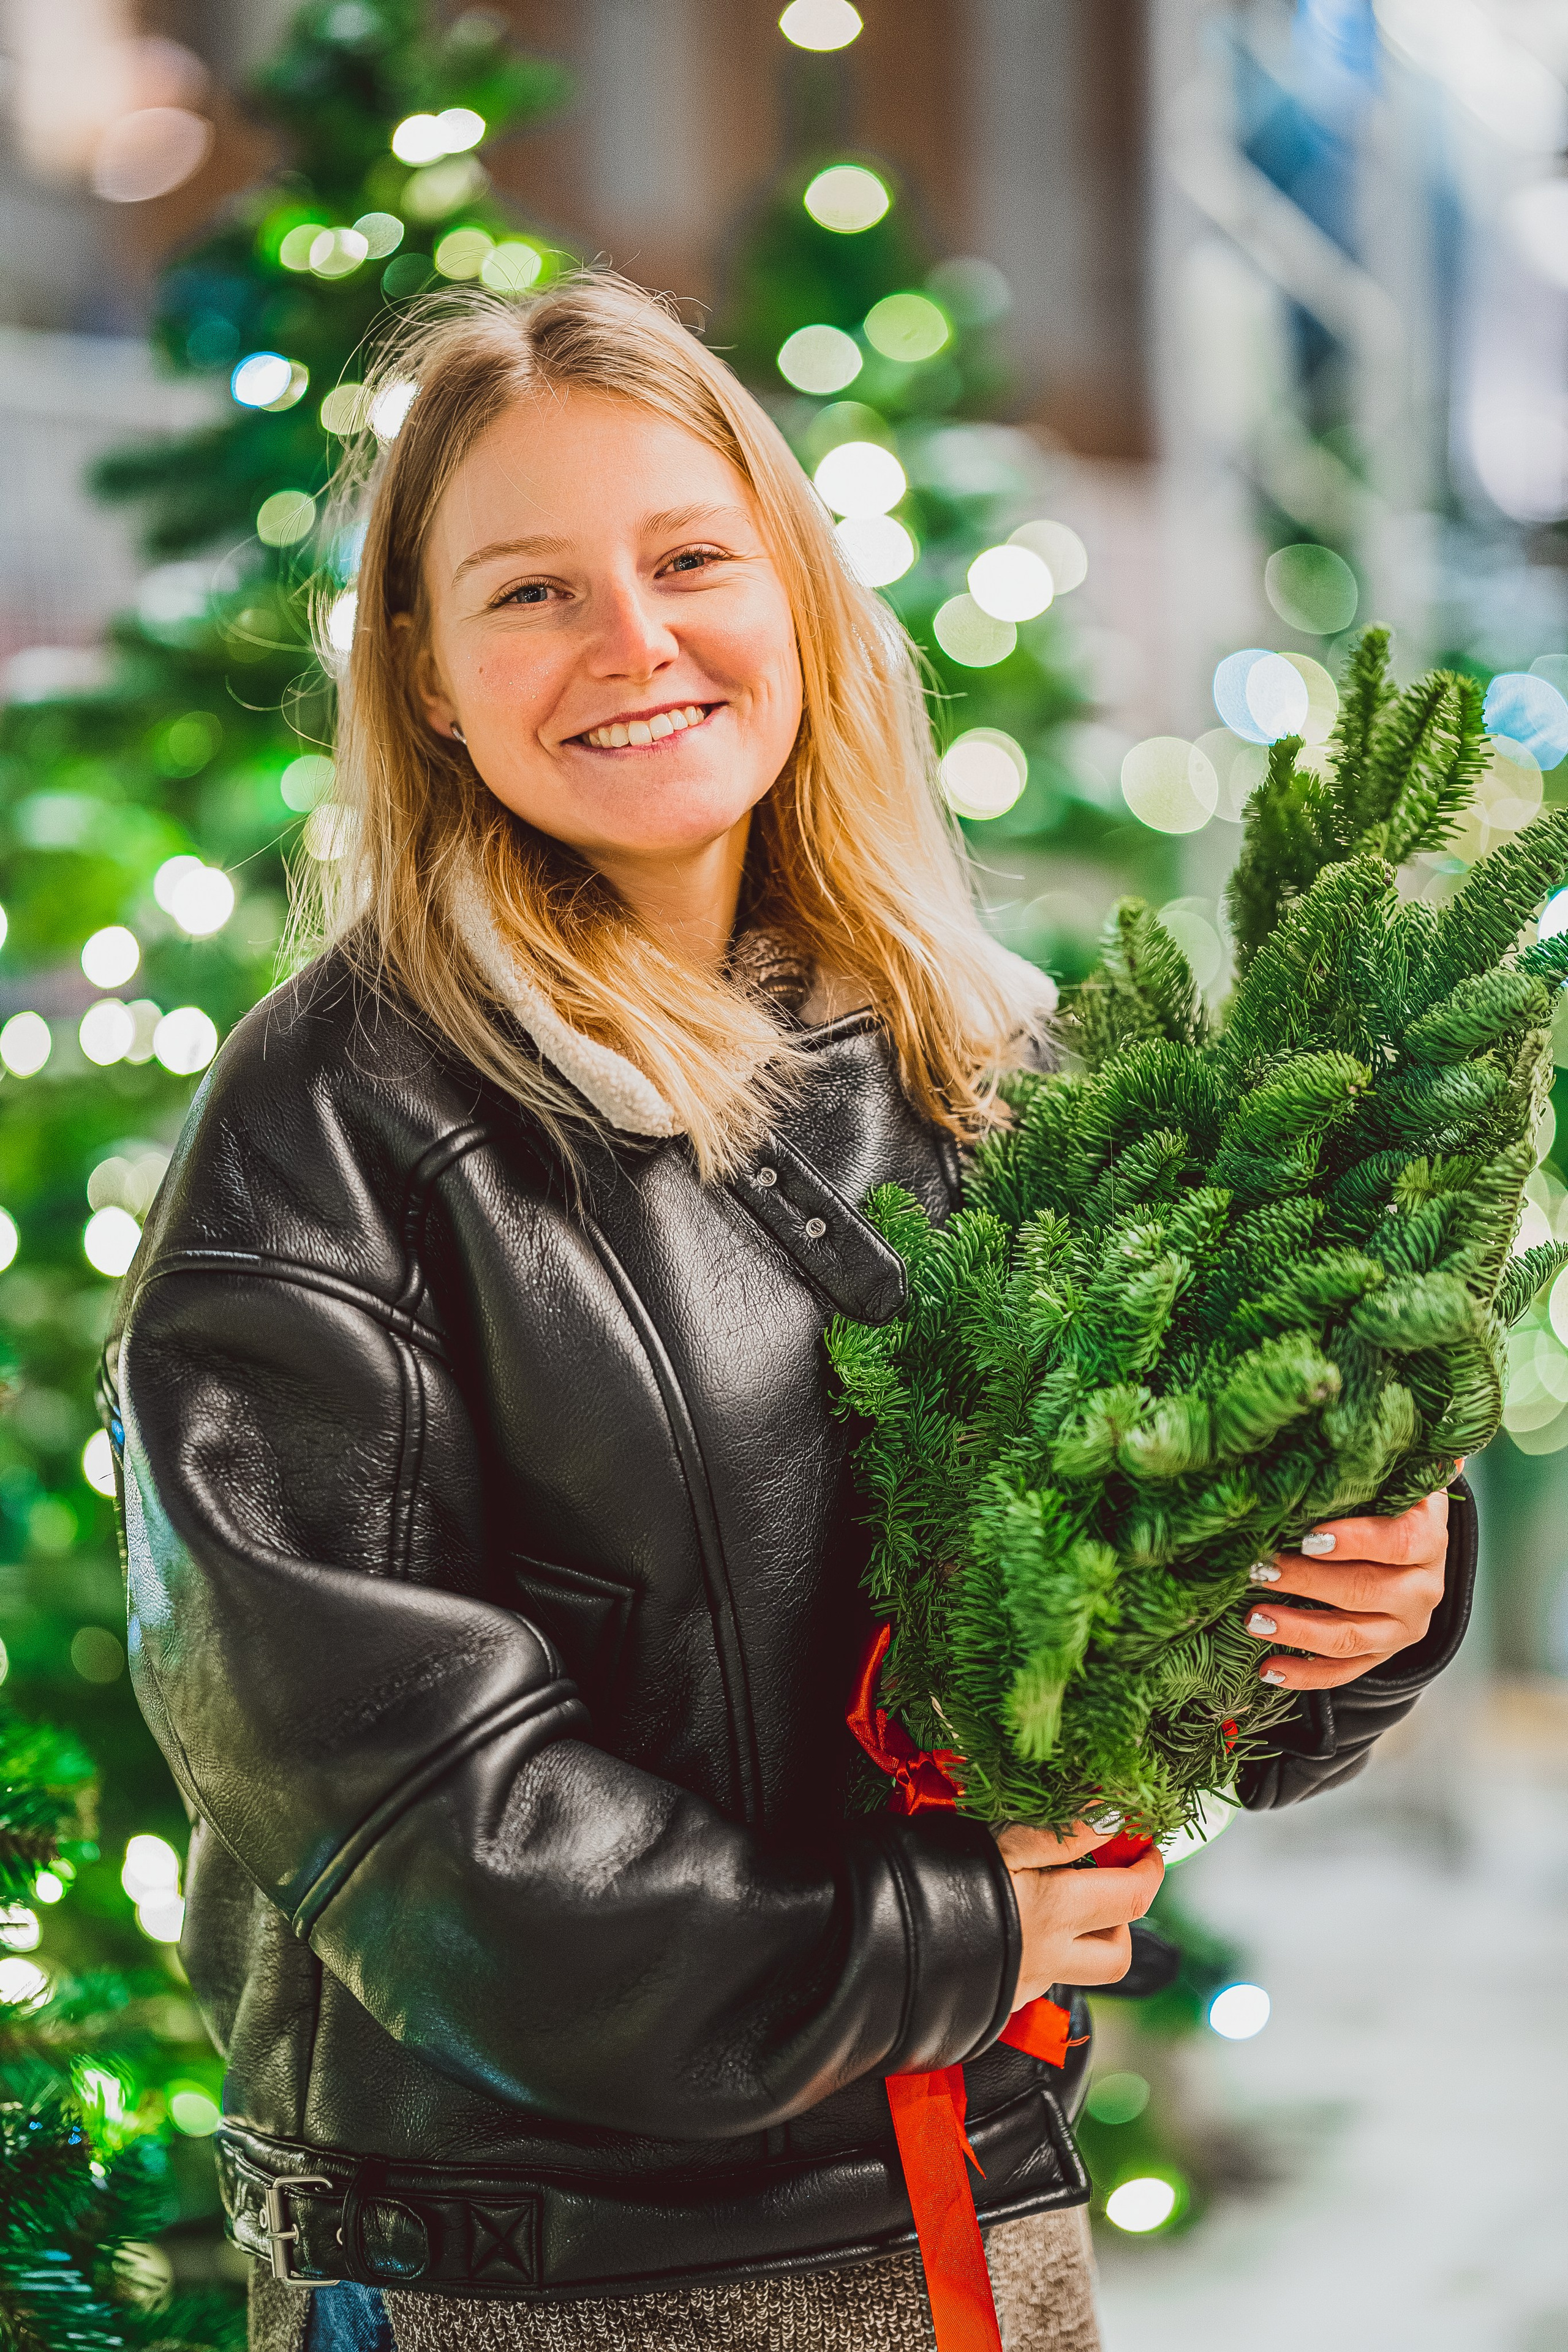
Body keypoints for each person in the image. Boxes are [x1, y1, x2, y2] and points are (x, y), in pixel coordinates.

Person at [104, 274, 1472, 2352]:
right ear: (431, 677)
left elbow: (1129, 1666)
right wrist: (937, 1932)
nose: (633, 646)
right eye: (533, 592)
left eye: (687, 561)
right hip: (556, 2283)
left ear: (802, 598)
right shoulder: (339, 1126)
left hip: (971, 2222)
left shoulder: (993, 1064)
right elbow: (404, 1828)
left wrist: (1348, 1606)